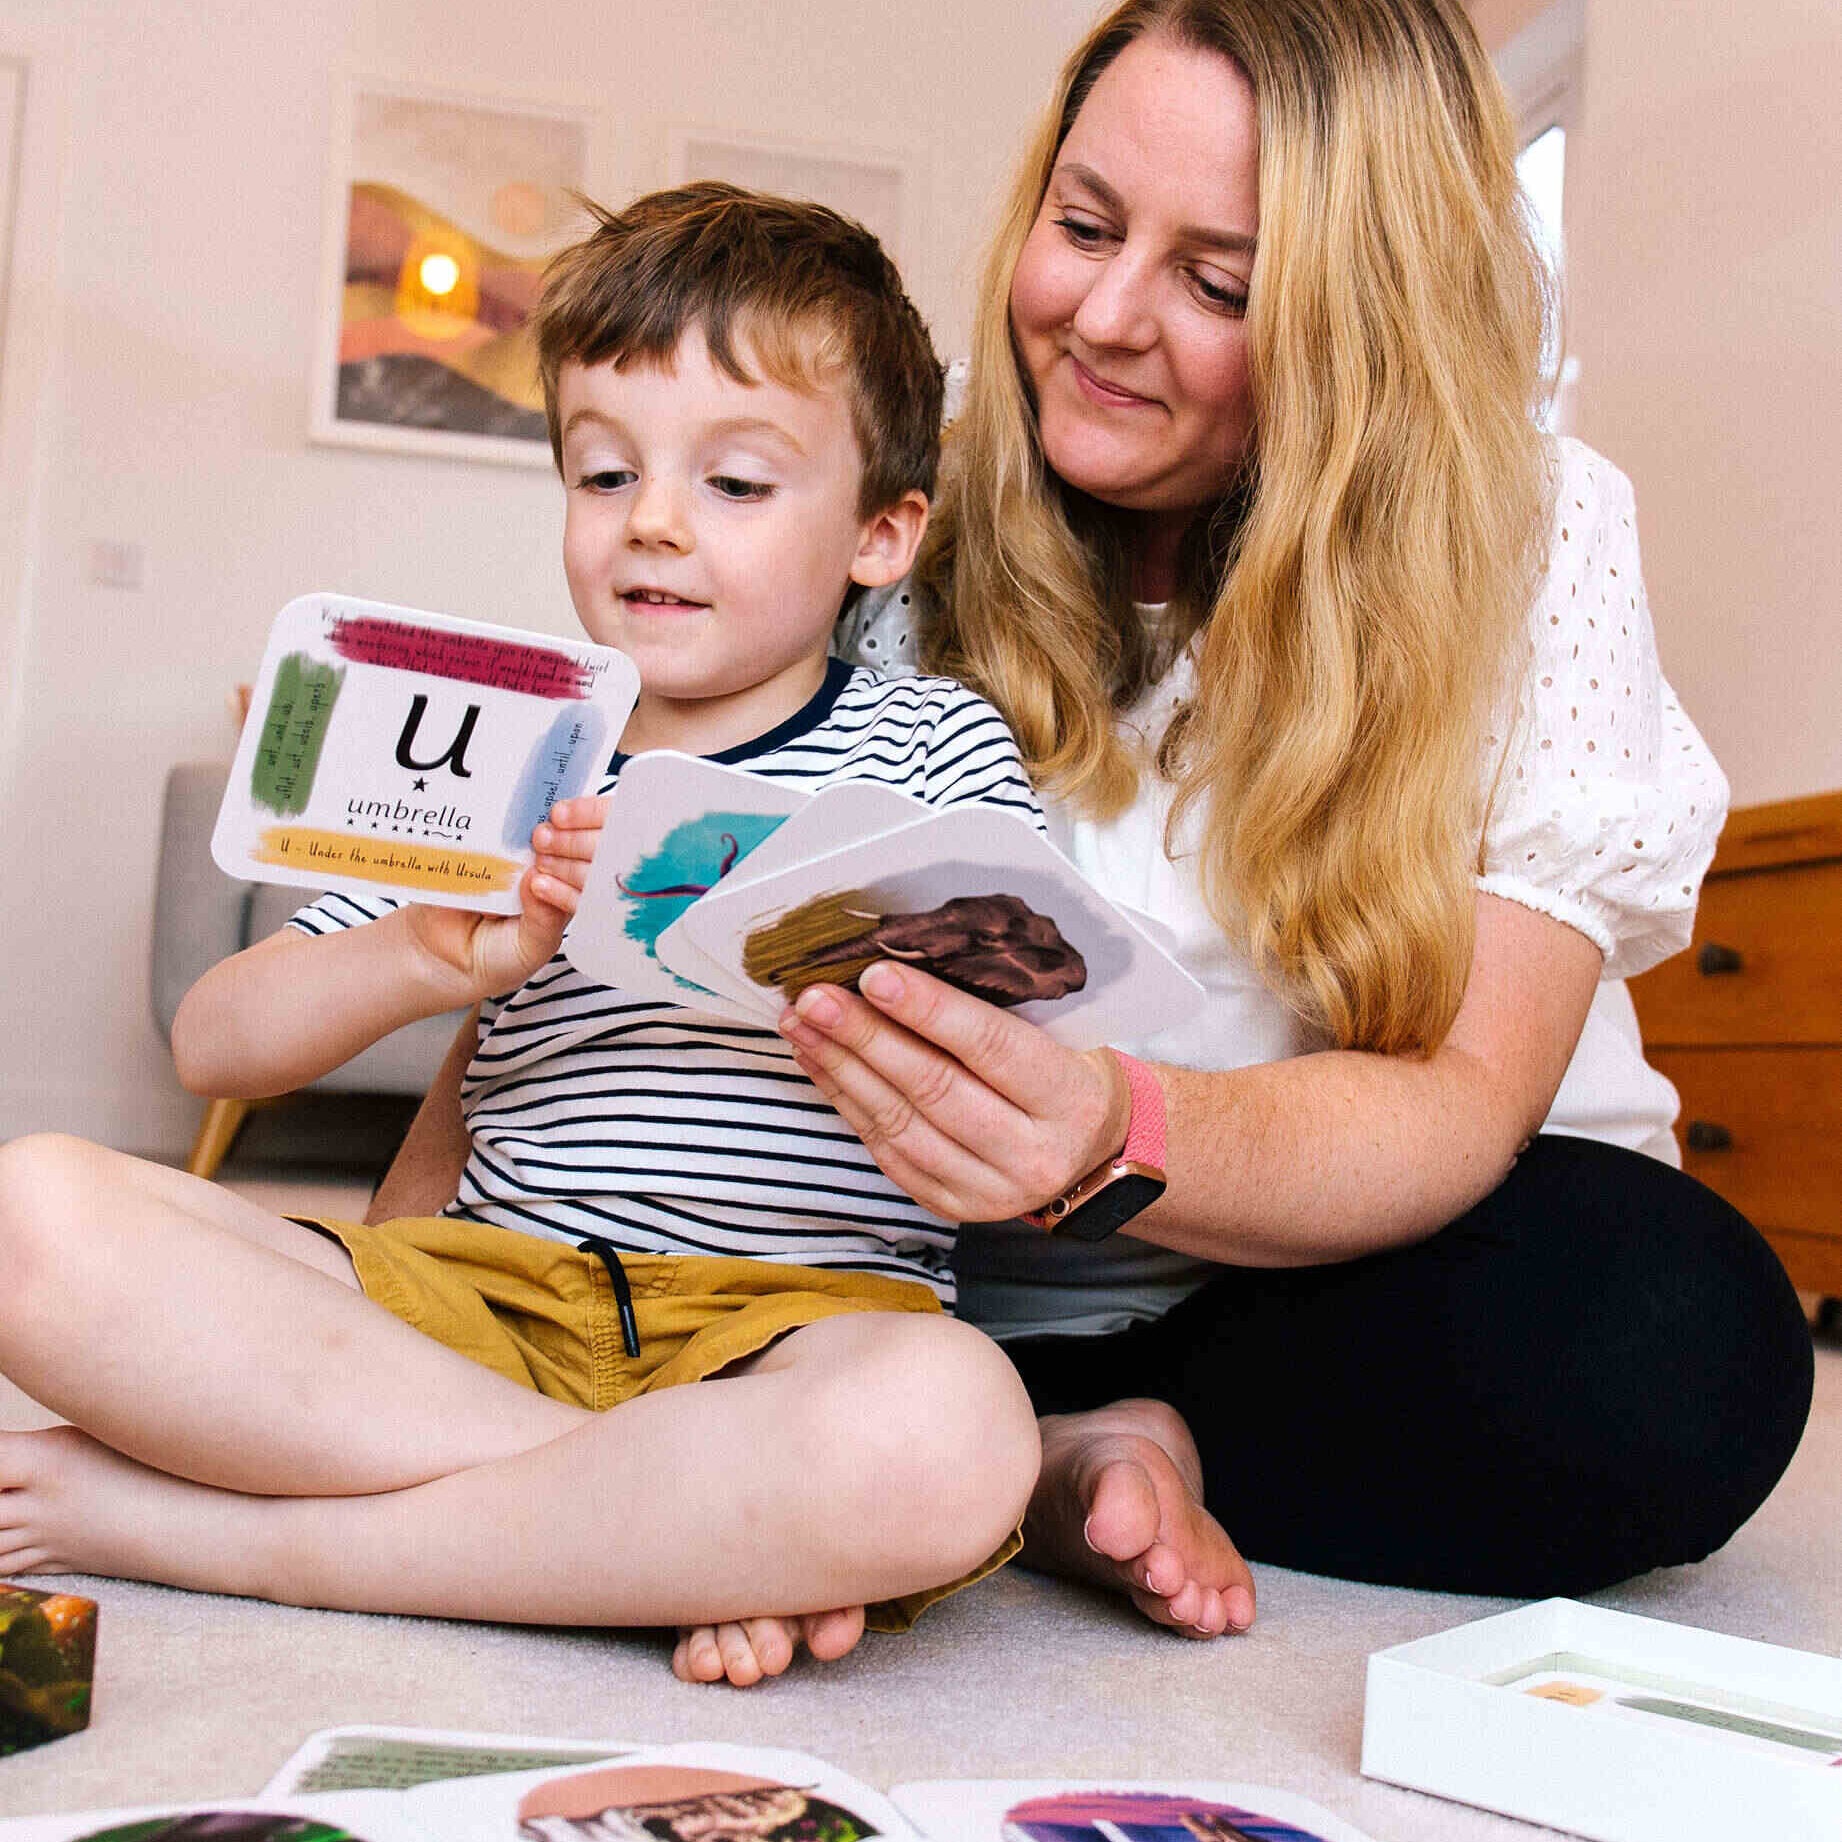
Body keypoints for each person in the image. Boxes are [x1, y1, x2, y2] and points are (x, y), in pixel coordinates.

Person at [381, 0, 1814, 1656]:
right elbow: (607, 874)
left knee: (1671, 1336)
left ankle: (1052, 1451)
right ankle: (1023, 1455)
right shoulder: (885, 507)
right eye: (1079, 224)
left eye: (1217, 283)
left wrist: (1101, 1134)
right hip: (918, 1280)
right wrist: (419, 1264)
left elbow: (1463, 1104)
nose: (1102, 318)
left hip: (1345, 1264)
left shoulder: (1534, 534)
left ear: (1362, 320)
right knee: (765, 1297)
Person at [0, 183, 1044, 1688]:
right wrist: (429, 959)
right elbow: (213, 1035)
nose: (655, 523)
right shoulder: (505, 745)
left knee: (950, 1432)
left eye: (736, 484)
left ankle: (222, 1537)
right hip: (476, 1304)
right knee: (35, 1211)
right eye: (603, 472)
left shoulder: (932, 743)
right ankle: (639, 1526)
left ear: (883, 533)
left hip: (796, 1326)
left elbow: (1018, 1014)